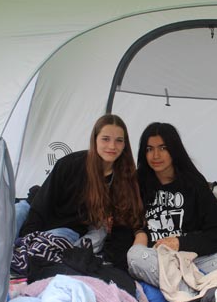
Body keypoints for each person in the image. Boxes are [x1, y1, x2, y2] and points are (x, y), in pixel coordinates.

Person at [127, 122, 217, 288]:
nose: (155, 155)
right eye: (149, 149)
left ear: (174, 150)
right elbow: (126, 224)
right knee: (135, 255)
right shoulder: (136, 183)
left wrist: (180, 242)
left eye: (163, 148)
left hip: (194, 261)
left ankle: (187, 289)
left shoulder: (193, 183)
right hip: (156, 262)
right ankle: (195, 292)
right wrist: (140, 234)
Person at [18, 113, 145, 272]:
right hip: (35, 214)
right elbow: (42, 204)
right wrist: (25, 239)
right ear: (95, 139)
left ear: (125, 144)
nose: (112, 146)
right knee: (8, 219)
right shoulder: (70, 164)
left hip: (67, 230)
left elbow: (124, 222)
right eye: (106, 139)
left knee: (55, 243)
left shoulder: (124, 177)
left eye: (119, 140)